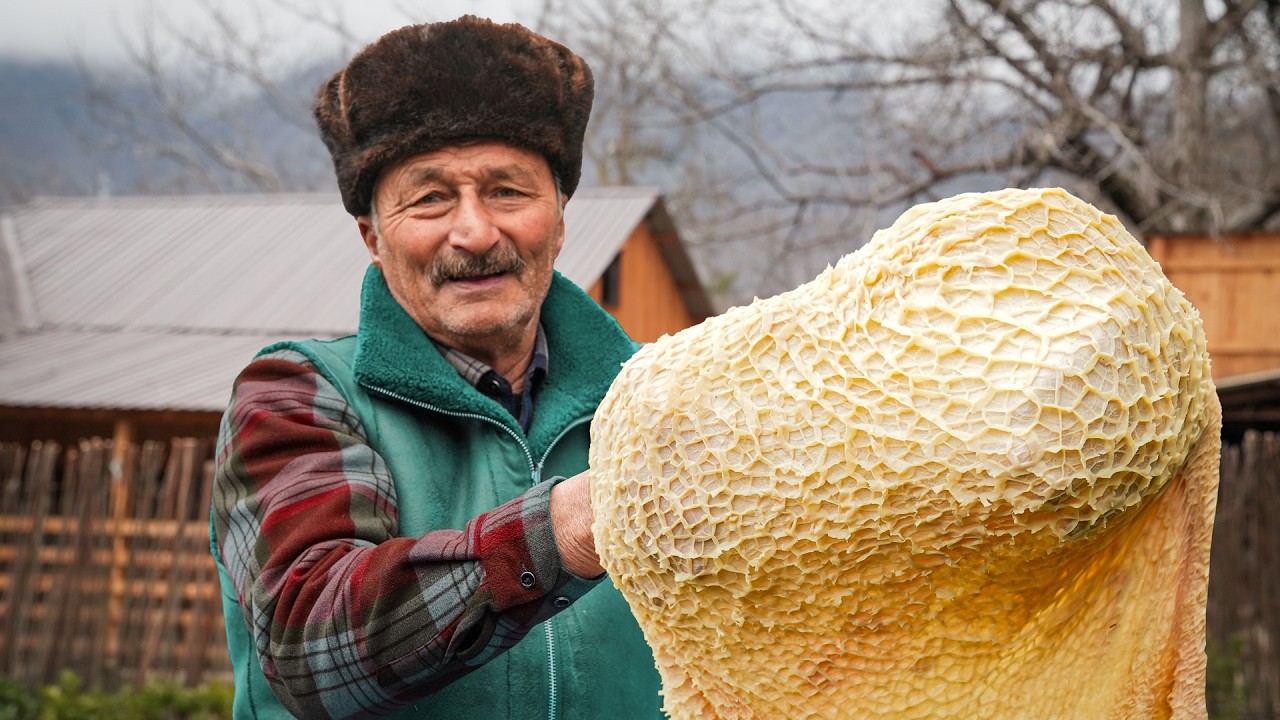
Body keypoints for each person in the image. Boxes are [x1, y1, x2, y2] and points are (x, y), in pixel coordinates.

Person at [209, 16, 663, 720]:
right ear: (373, 237)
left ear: (561, 217)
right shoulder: (295, 394)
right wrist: (563, 527)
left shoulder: (662, 399)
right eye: (429, 199)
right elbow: (309, 643)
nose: (476, 232)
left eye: (508, 191)